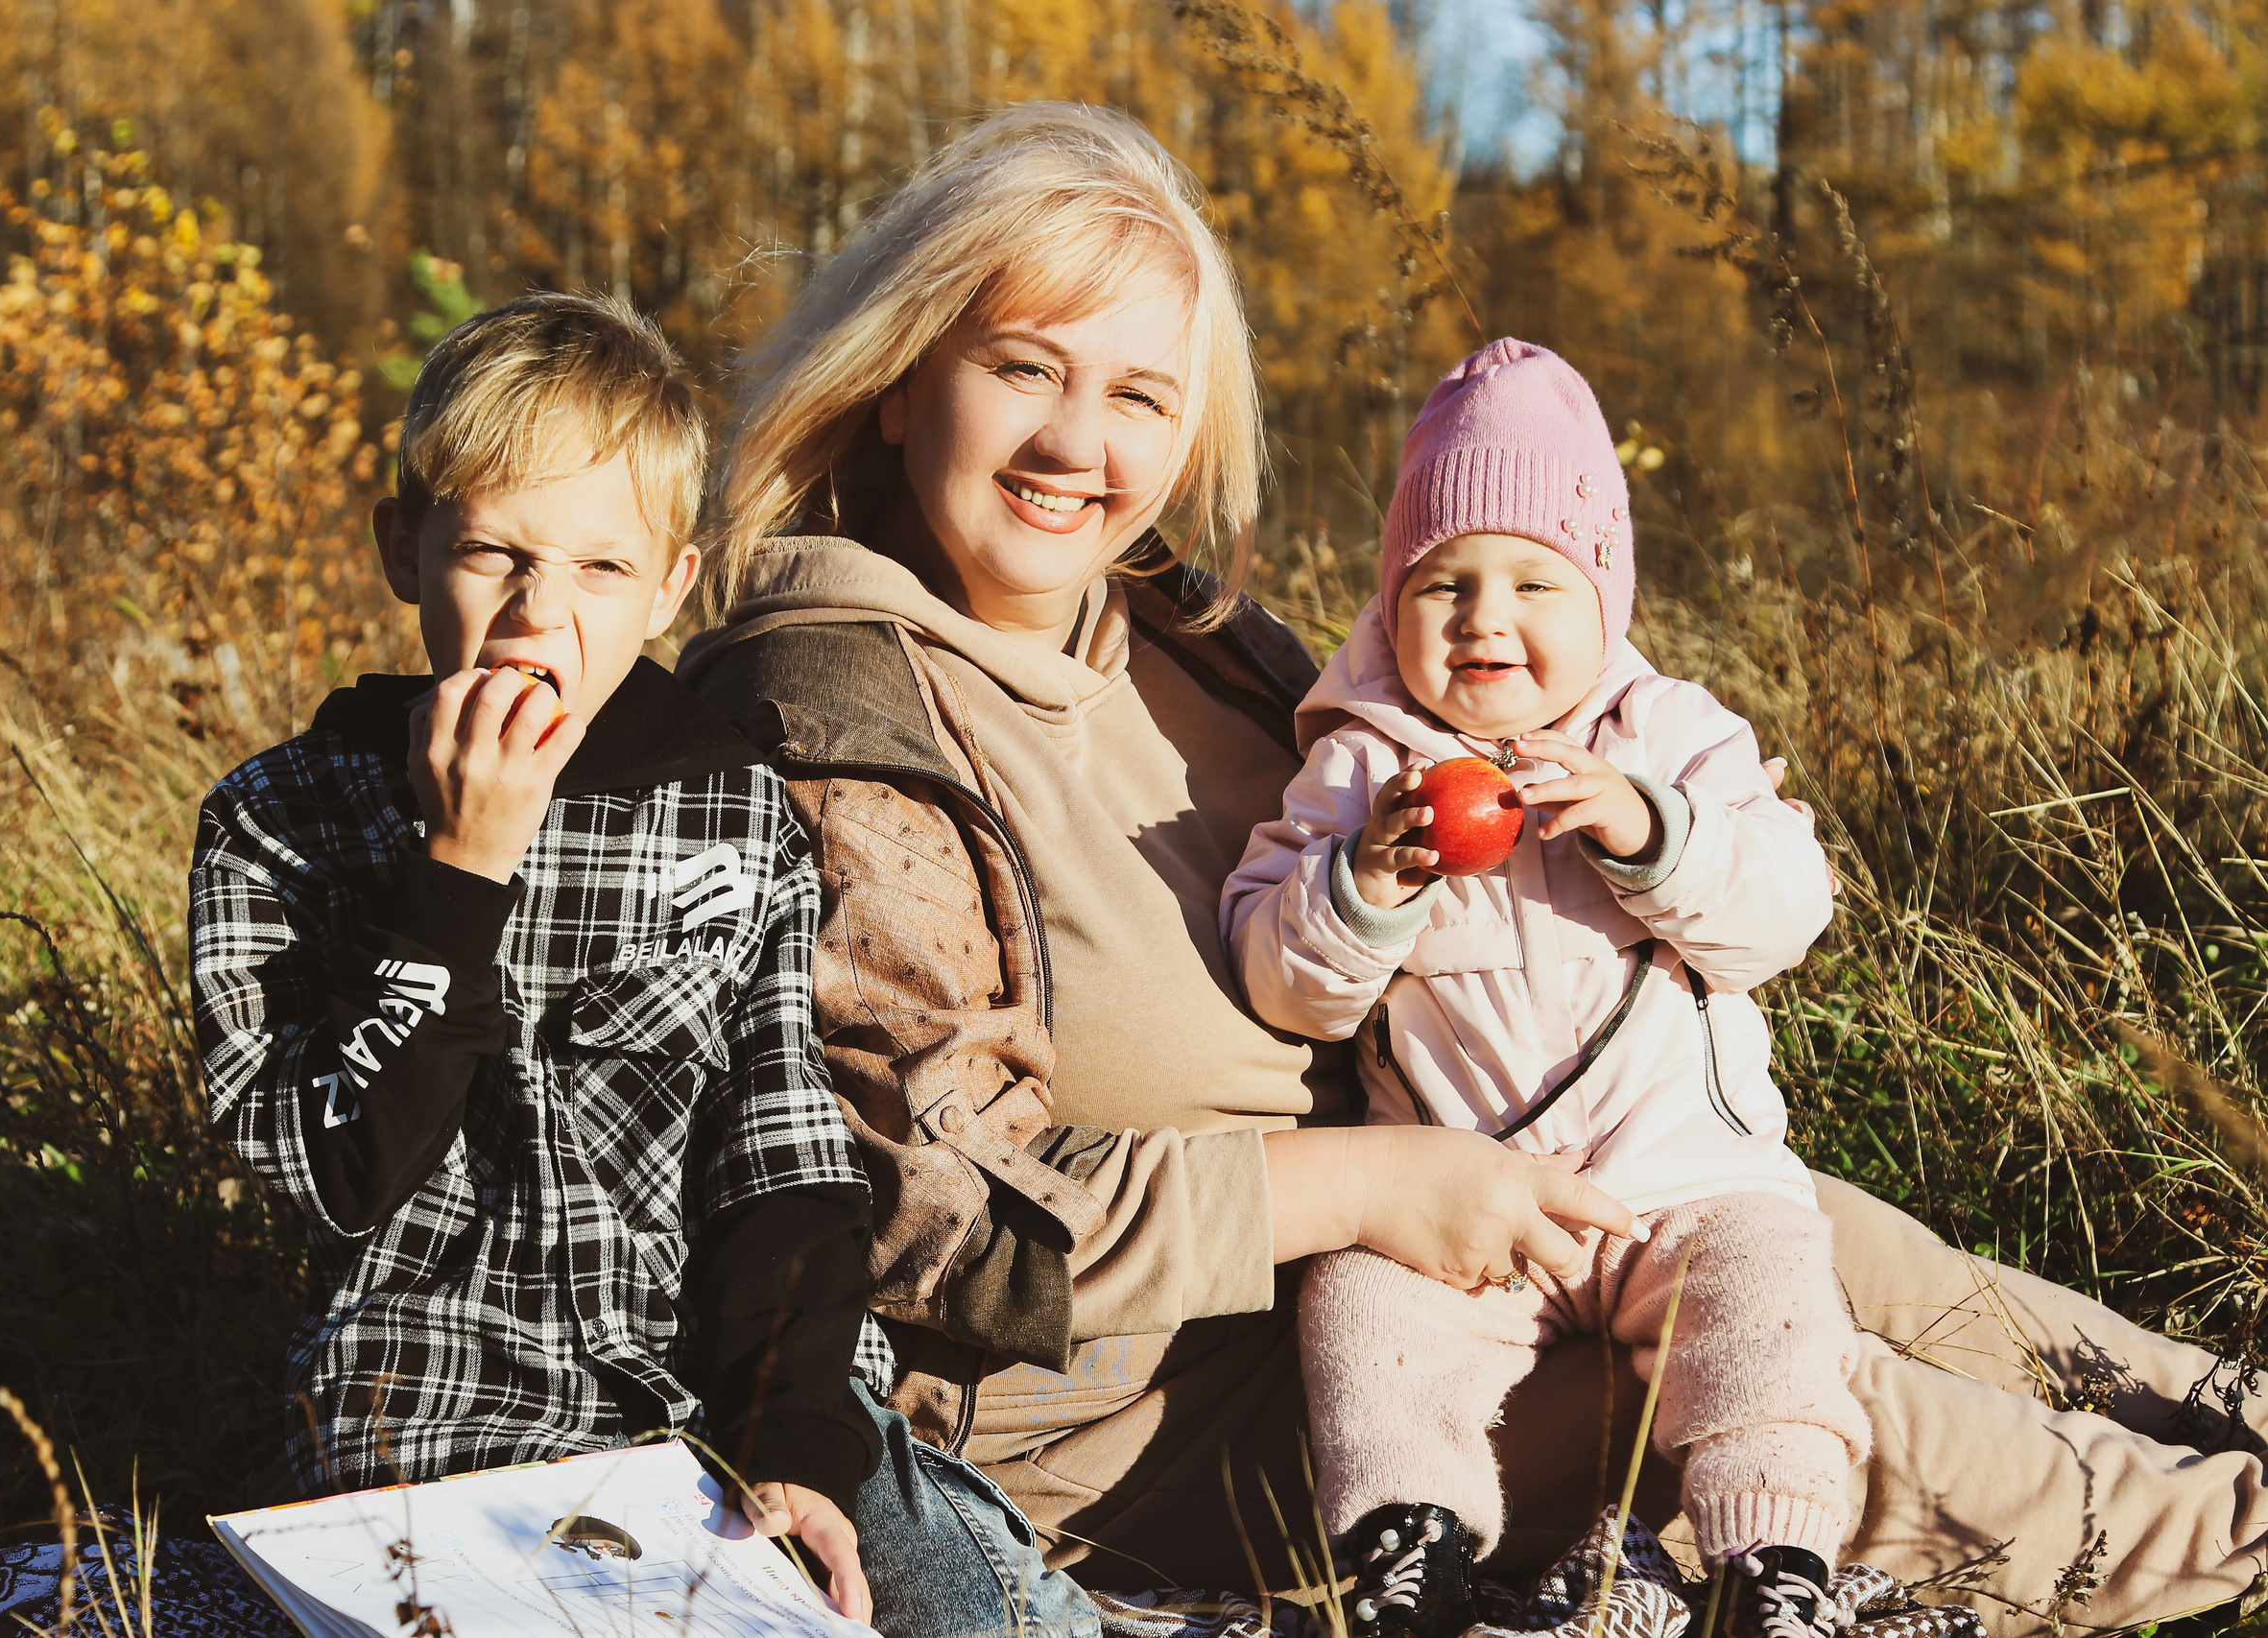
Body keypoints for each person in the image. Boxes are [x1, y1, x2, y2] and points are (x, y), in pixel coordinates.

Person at [681, 100, 2268, 1638]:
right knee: (1774, 1387)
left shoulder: (1174, 627)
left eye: (1142, 397)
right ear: (898, 382)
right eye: (1023, 368)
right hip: (1185, 1392)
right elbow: (935, 1219)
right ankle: (2240, 1545)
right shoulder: (840, 718)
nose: (1078, 445)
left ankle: (2236, 1406)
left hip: (1462, 1189)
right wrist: (1387, 1186)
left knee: (1802, 1227)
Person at [190, 293, 883, 1621]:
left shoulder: (732, 820)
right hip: (415, 1396)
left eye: (600, 569)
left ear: (674, 585)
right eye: (494, 552)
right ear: (405, 549)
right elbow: (327, 1172)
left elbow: (781, 1158)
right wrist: (460, 873)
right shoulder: (283, 821)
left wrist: (789, 1444)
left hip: (691, 1399)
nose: (535, 612)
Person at [1222, 339, 1863, 1638]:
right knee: (1360, 1314)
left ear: (1605, 593)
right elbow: (1280, 981)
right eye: (1442, 584)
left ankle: (1773, 1559)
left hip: (1681, 1192)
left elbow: (1786, 910)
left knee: (1773, 1306)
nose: (1483, 617)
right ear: (1391, 602)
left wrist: (1650, 830)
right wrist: (1366, 883)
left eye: (1533, 580)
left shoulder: (1672, 738)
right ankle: (1411, 1545)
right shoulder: (1361, 770)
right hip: (1465, 1221)